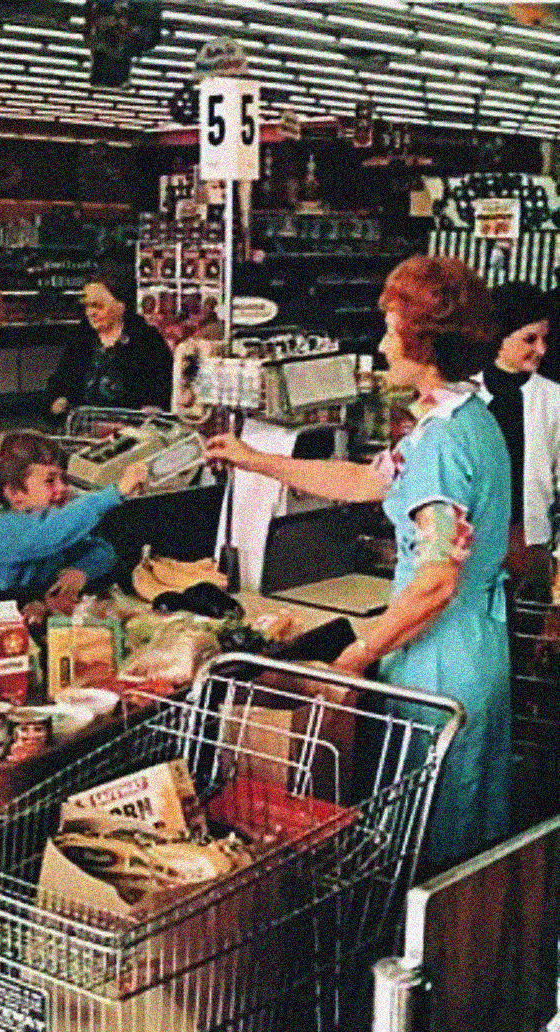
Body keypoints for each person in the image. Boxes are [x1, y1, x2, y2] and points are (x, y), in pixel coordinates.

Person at [205, 255, 511, 873]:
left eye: (390, 330)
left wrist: (353, 660)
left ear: (422, 344)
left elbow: (436, 579)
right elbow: (365, 481)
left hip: (439, 662)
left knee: (436, 848)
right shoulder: (464, 417)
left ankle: (422, 966)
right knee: (472, 837)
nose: (379, 345)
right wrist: (256, 460)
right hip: (477, 647)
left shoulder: (444, 442)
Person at [0, 430, 146, 615]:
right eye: (50, 481)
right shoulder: (5, 531)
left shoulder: (52, 520)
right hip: (2, 623)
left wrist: (82, 571)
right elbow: (55, 530)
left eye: (63, 479)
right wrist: (115, 493)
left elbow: (103, 550)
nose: (62, 488)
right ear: (15, 494)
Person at [476, 281, 559, 581]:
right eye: (529, 339)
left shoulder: (553, 399)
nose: (541, 349)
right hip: (468, 539)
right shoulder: (462, 394)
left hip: (528, 540)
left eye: (544, 339)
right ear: (499, 338)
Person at [46, 263, 173, 419]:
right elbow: (62, 379)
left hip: (129, 429)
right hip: (83, 427)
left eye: (98, 306)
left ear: (121, 306)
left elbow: (161, 389)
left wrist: (152, 407)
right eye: (87, 306)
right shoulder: (81, 338)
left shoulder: (146, 340)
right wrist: (59, 399)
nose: (90, 312)